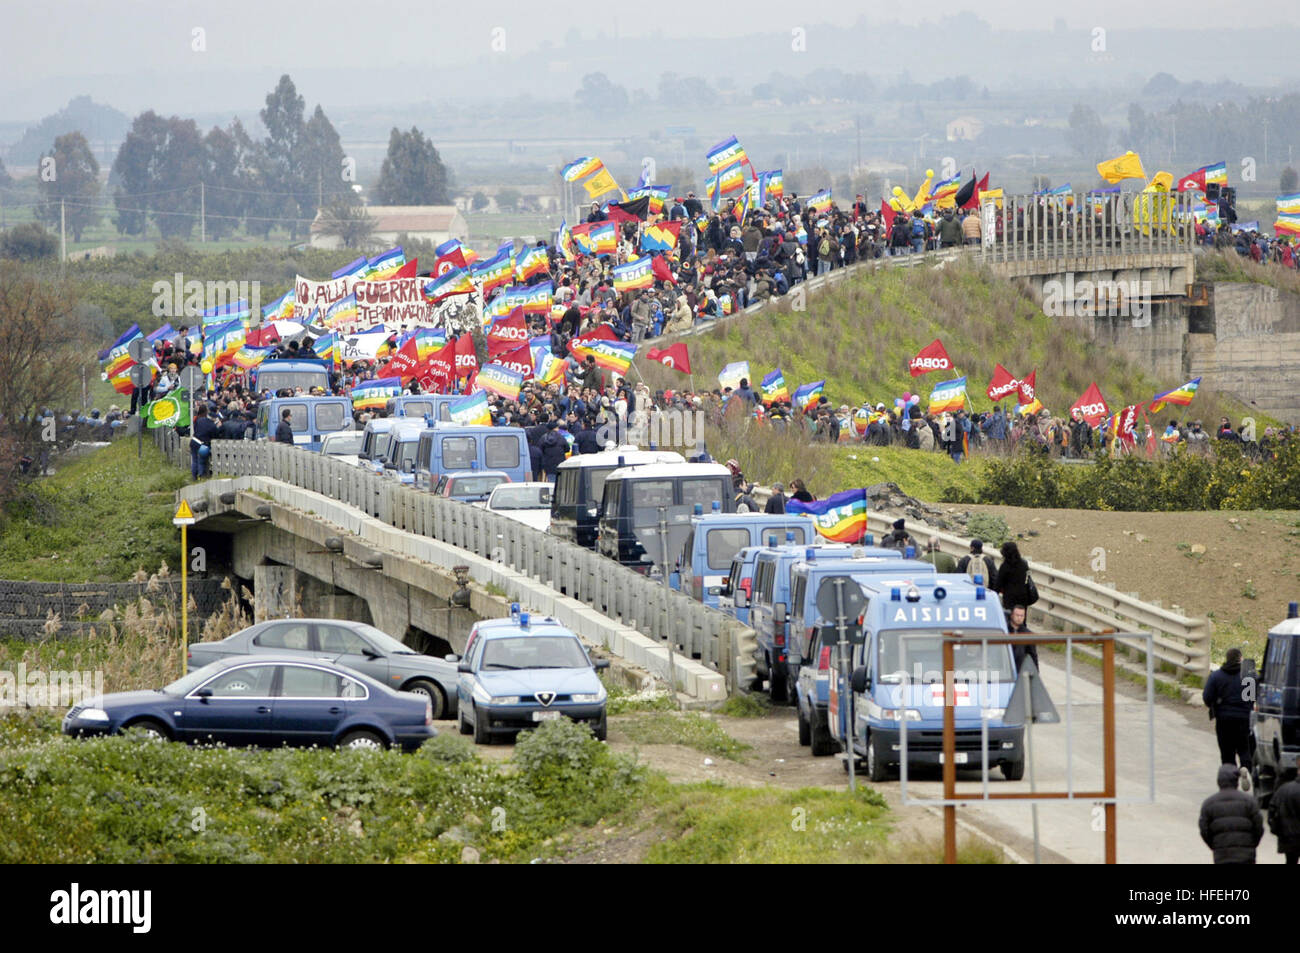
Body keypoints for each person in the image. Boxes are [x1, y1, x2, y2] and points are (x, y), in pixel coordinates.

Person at [1203, 648, 1254, 787]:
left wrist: (1216, 705)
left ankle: (1231, 780)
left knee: (1227, 752)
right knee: (1244, 748)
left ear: (1226, 658)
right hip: (1244, 719)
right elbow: (1253, 697)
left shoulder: (1216, 676)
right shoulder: (1248, 676)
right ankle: (1244, 766)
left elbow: (1207, 697)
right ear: (1240, 659)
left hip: (1224, 719)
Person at [1198, 763, 1263, 865]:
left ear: (1219, 781)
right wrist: (1251, 844)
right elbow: (1259, 827)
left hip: (1222, 855)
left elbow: (1204, 830)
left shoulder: (1209, 804)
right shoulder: (1249, 801)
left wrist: (1215, 845)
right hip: (1246, 854)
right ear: (1236, 781)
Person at [1268, 755, 1300, 864]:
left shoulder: (1283, 790)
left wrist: (1277, 831)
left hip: (1288, 838)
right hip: (1290, 835)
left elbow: (1272, 811)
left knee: (1290, 861)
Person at [992, 541, 1031, 621]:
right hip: (1023, 597)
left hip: (1010, 598)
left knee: (1011, 620)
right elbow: (1027, 578)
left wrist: (993, 596)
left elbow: (998, 584)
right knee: (1021, 619)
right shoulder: (1024, 564)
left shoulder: (1005, 566)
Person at [190, 403, 220, 479]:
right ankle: (201, 476)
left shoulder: (198, 420)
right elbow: (215, 434)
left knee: (194, 460)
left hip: (194, 441)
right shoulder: (211, 424)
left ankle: (194, 477)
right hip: (202, 444)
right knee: (201, 461)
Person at [1007, 605, 1038, 672]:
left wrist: (1036, 673)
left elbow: (1033, 656)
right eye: (1017, 615)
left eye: (1022, 616)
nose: (1019, 618)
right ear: (1012, 615)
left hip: (1019, 671)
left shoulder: (1028, 635)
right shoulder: (1004, 630)